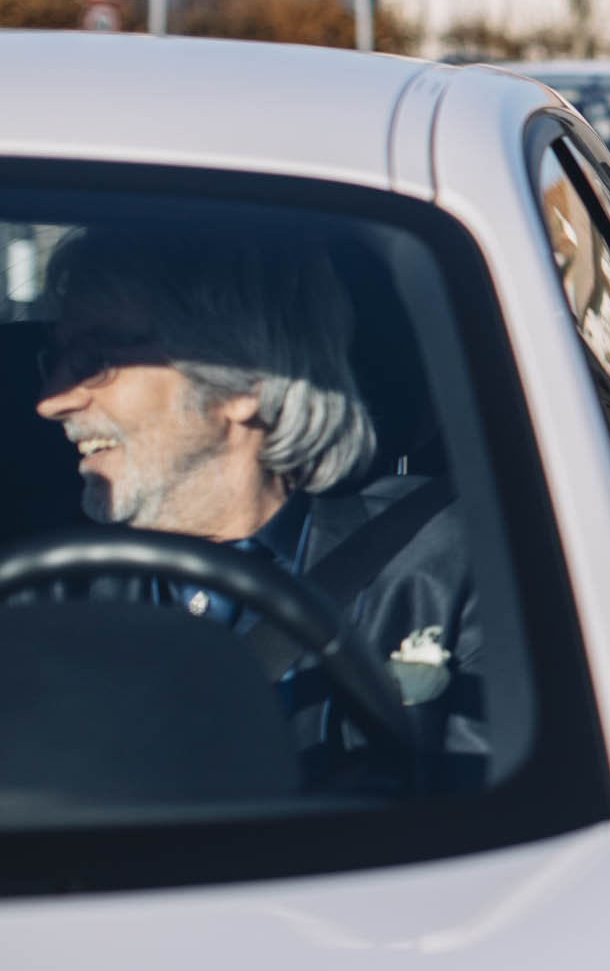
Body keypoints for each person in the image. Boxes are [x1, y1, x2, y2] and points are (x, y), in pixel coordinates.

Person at [32, 227, 483, 787]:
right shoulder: (47, 596)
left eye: (97, 359)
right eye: (56, 357)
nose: (51, 400)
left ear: (243, 382)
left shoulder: (446, 571)